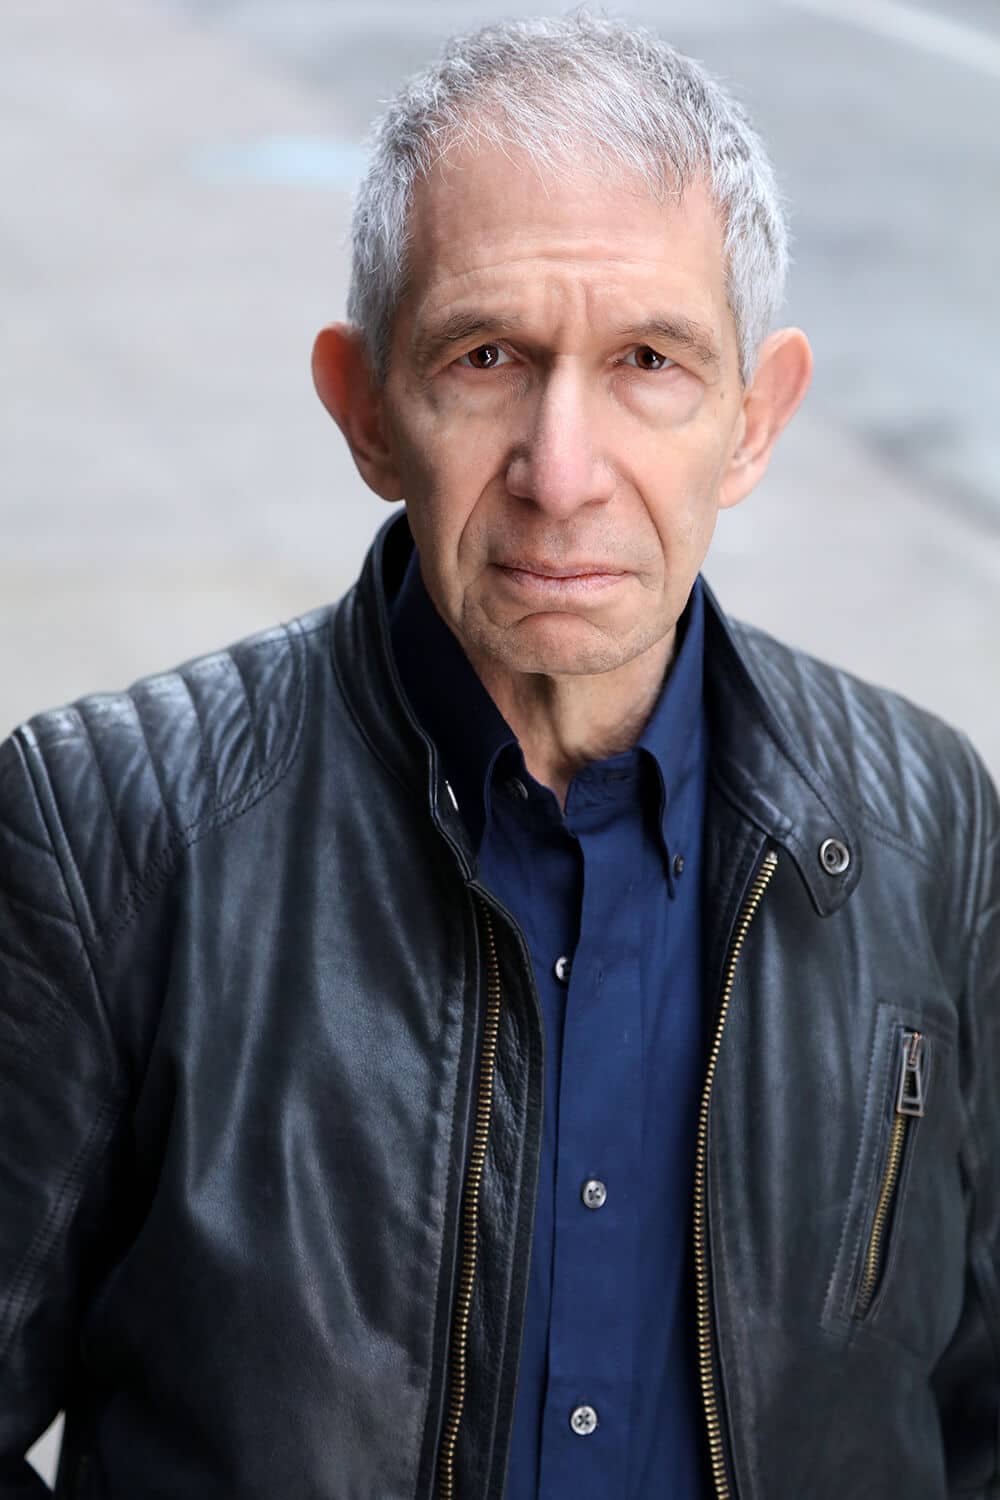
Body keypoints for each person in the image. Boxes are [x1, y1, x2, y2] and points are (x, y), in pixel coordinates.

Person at [2, 11, 998, 1498]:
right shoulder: (108, 834)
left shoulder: (932, 829)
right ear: (365, 410)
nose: (561, 472)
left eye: (650, 359)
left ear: (755, 418)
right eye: (485, 357)